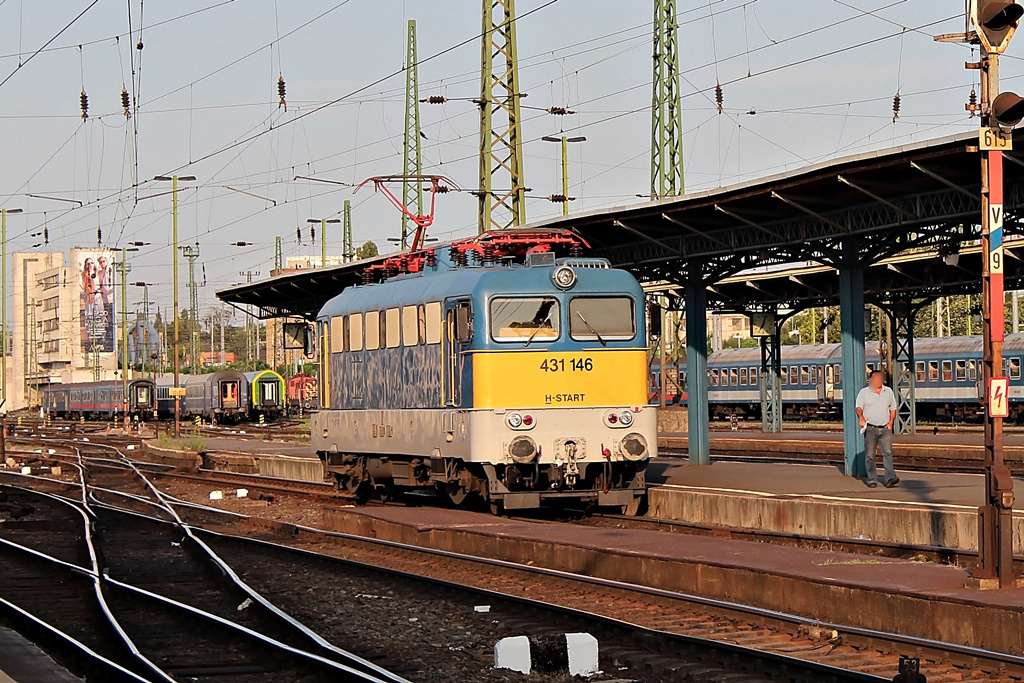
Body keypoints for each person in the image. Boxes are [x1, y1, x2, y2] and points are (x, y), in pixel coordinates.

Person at [855, 370, 899, 488]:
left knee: (888, 453)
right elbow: (858, 407)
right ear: (871, 379)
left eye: (881, 378)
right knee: (870, 455)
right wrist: (861, 417)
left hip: (885, 428)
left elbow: (893, 408)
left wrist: (891, 423)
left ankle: (890, 478)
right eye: (877, 378)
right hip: (870, 428)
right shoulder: (864, 393)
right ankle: (872, 479)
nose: (879, 380)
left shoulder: (888, 391)